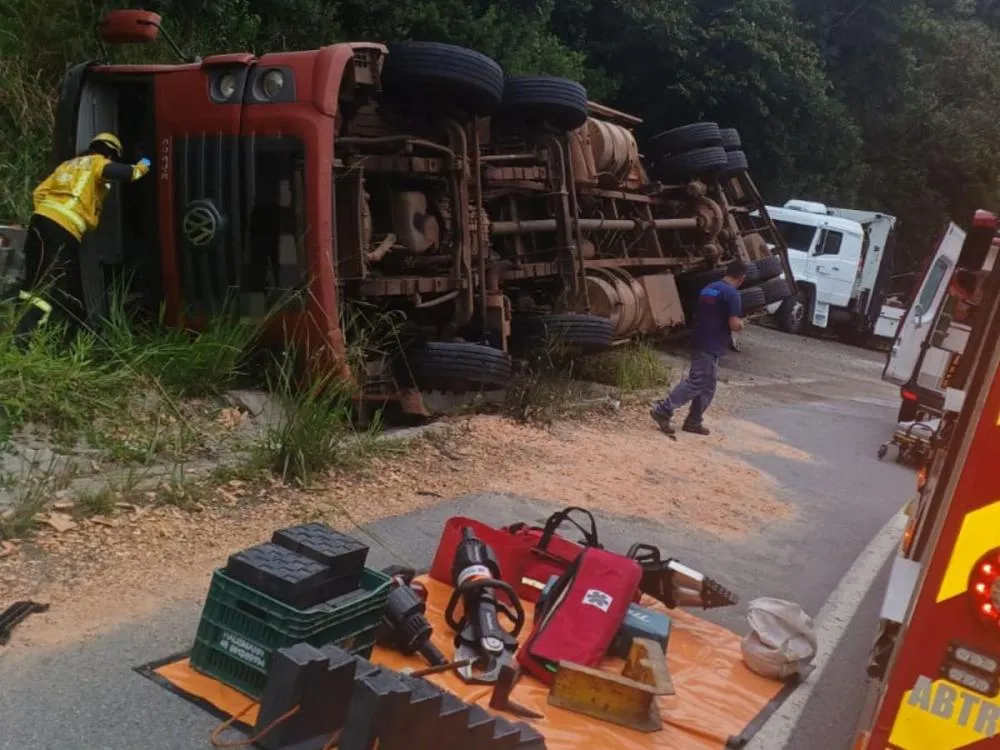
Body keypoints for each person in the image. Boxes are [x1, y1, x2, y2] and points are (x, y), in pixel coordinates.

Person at [14, 132, 150, 336]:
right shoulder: (98, 163)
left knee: (31, 281)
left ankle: (16, 329)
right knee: (50, 284)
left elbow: (39, 193)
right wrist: (147, 160)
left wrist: (48, 213)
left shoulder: (67, 165)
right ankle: (24, 339)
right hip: (63, 229)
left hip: (39, 222)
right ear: (110, 154)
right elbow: (133, 173)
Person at [650, 258, 747, 436]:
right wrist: (741, 325)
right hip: (712, 343)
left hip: (699, 338)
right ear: (741, 278)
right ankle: (663, 410)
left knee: (708, 385)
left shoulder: (709, 288)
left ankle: (694, 421)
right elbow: (734, 324)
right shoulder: (732, 294)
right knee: (697, 381)